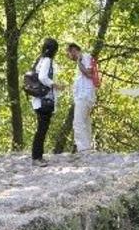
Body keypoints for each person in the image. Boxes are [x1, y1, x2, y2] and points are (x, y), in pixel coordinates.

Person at [31, 38, 62, 166]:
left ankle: (37, 156)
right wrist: (54, 84)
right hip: (45, 101)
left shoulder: (40, 59)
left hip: (38, 100)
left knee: (41, 129)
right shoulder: (47, 60)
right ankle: (37, 157)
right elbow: (42, 77)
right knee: (42, 129)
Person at [66, 43, 97, 153]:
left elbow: (89, 73)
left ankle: (83, 149)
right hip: (84, 96)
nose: (68, 56)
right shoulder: (83, 60)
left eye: (68, 53)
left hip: (84, 96)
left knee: (78, 122)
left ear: (74, 50)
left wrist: (79, 61)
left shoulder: (86, 57)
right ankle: (88, 147)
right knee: (85, 122)